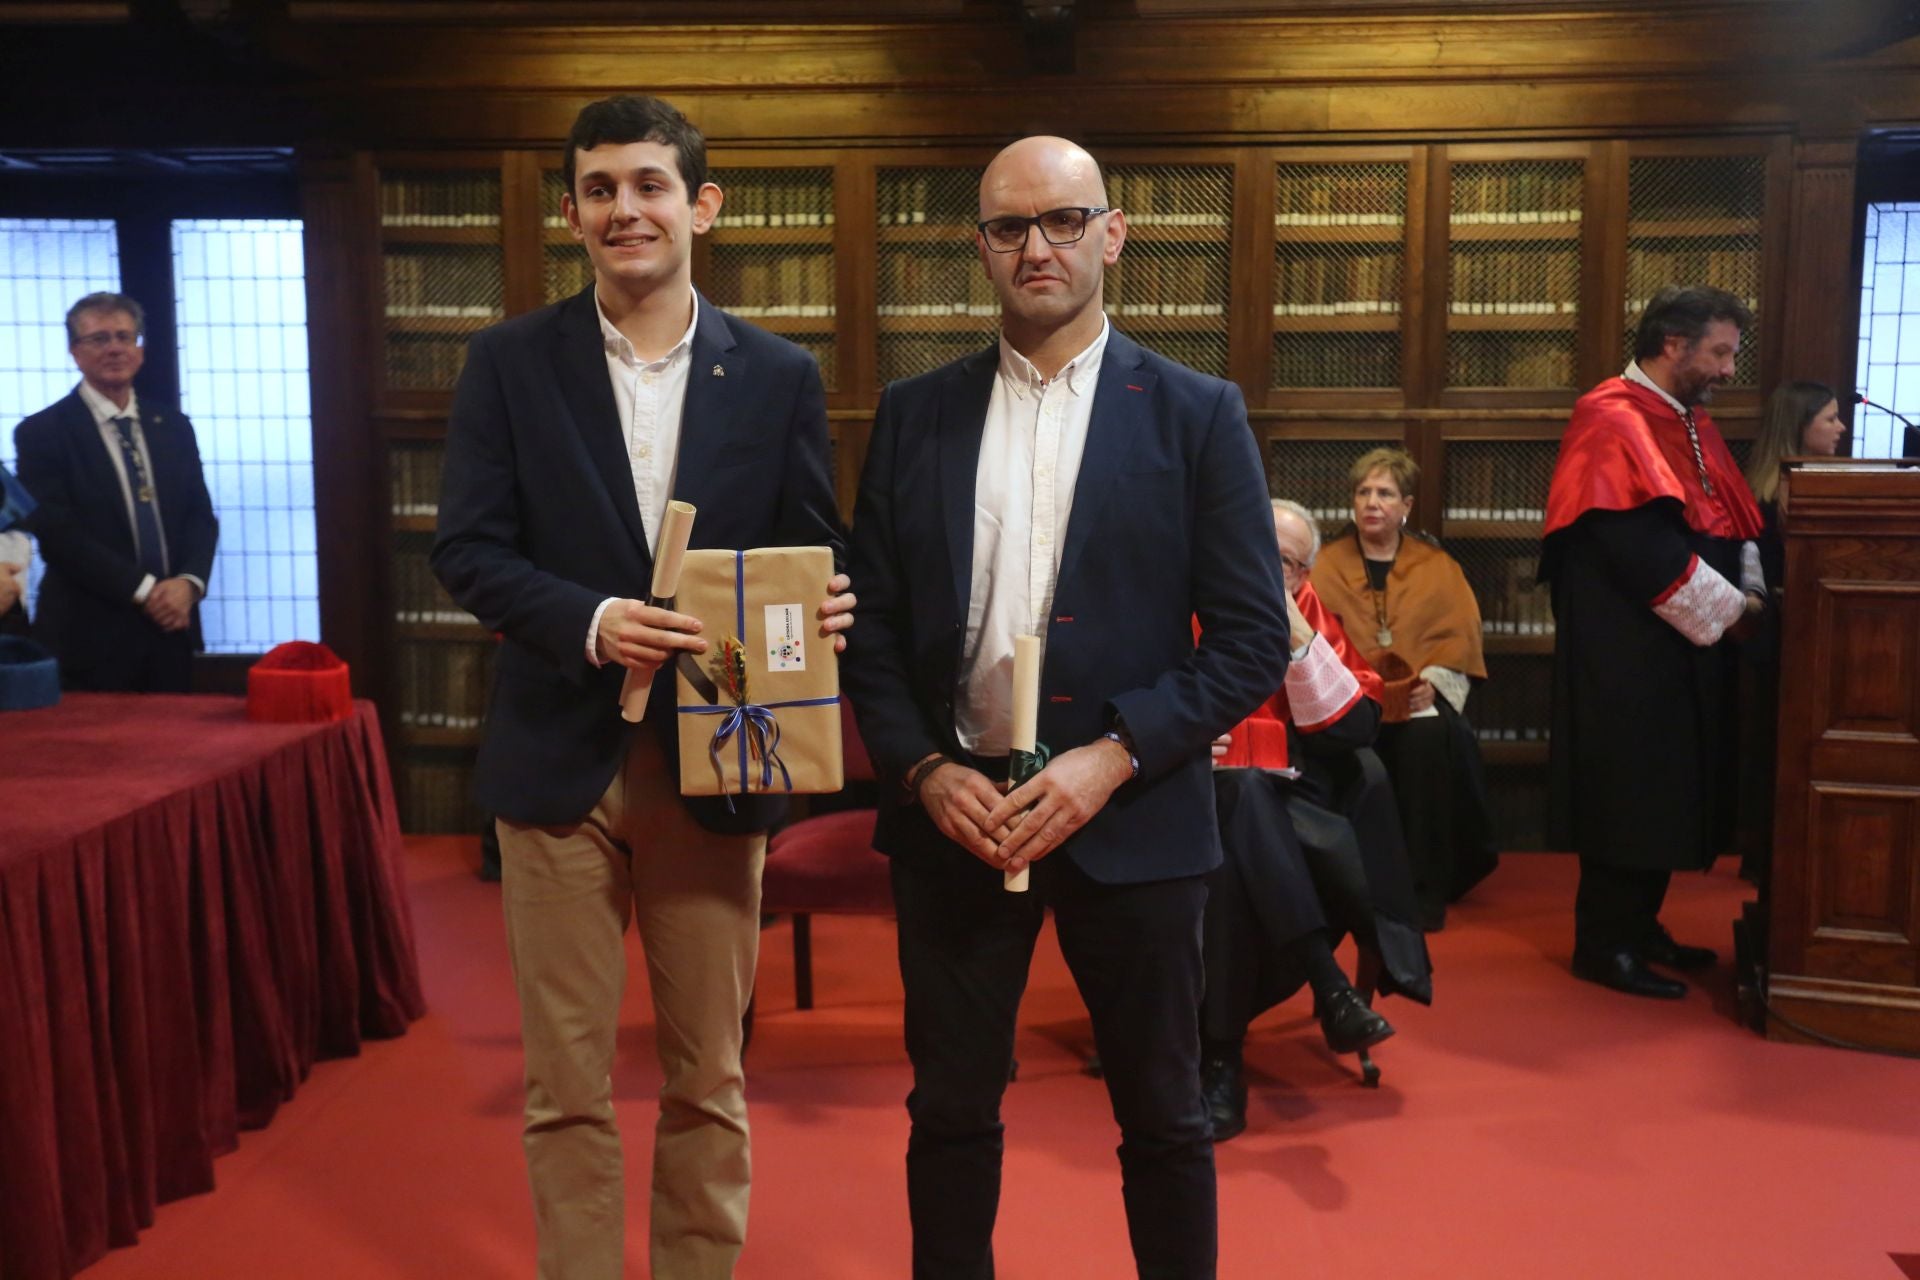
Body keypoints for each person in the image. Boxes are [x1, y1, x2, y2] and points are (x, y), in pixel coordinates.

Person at [843, 135, 1289, 1279]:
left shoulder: (1197, 413)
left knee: (1165, 1114)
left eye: (1063, 221)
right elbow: (875, 632)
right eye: (1009, 226)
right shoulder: (915, 414)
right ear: (979, 245)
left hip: (1131, 811)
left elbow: (1249, 638)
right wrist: (921, 770)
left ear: (1113, 233)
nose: (1036, 246)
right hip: (958, 816)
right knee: (949, 1110)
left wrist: (1113, 755)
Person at [431, 95, 853, 1280]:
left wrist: (823, 610)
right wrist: (595, 619)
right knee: (565, 1082)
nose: (627, 208)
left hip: (719, 763)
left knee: (707, 1077)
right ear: (573, 212)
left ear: (701, 207)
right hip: (557, 764)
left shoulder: (773, 373)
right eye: (602, 187)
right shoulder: (510, 362)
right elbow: (466, 548)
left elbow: (809, 552)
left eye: (651, 185)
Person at [1540, 284, 1765, 1000]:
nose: (1731, 369)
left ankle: (1641, 927)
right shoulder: (1610, 416)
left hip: (1678, 648)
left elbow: (1732, 520)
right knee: (1629, 793)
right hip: (1628, 652)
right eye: (1721, 352)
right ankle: (1603, 944)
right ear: (1673, 345)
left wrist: (1751, 592)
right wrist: (1732, 614)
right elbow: (1633, 544)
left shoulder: (1686, 419)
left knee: (1668, 792)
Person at [1201, 499, 1432, 1140]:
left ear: (1302, 576)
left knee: (1250, 802)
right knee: (1240, 798)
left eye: (1282, 559)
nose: (1261, 564)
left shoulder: (1305, 613)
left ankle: (1220, 1057)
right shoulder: (1182, 597)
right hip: (1184, 794)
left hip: (1286, 800)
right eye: (1252, 543)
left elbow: (1357, 722)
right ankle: (1329, 988)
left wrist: (1294, 636)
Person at [1309, 447, 1498, 930]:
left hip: (1417, 703)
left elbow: (1457, 638)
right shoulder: (1324, 566)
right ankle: (1355, 885)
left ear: (1406, 505)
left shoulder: (1436, 566)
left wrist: (1433, 684)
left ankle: (1422, 889)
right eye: (1363, 492)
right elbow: (1309, 639)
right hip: (1348, 703)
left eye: (1385, 493)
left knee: (1429, 739)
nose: (1372, 502)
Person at [13, 293, 217, 691]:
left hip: (172, 633)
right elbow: (57, 534)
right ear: (75, 351)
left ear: (139, 349)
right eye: (99, 338)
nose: (115, 349)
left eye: (125, 337)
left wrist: (189, 584)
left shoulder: (174, 426)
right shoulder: (42, 433)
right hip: (89, 637)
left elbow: (199, 515)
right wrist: (147, 592)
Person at [1734, 381, 1843, 885]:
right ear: (1800, 428)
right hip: (1777, 643)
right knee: (1771, 752)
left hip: (1815, 641)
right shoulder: (1760, 501)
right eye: (1830, 419)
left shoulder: (1827, 487)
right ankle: (1765, 852)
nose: (1841, 429)